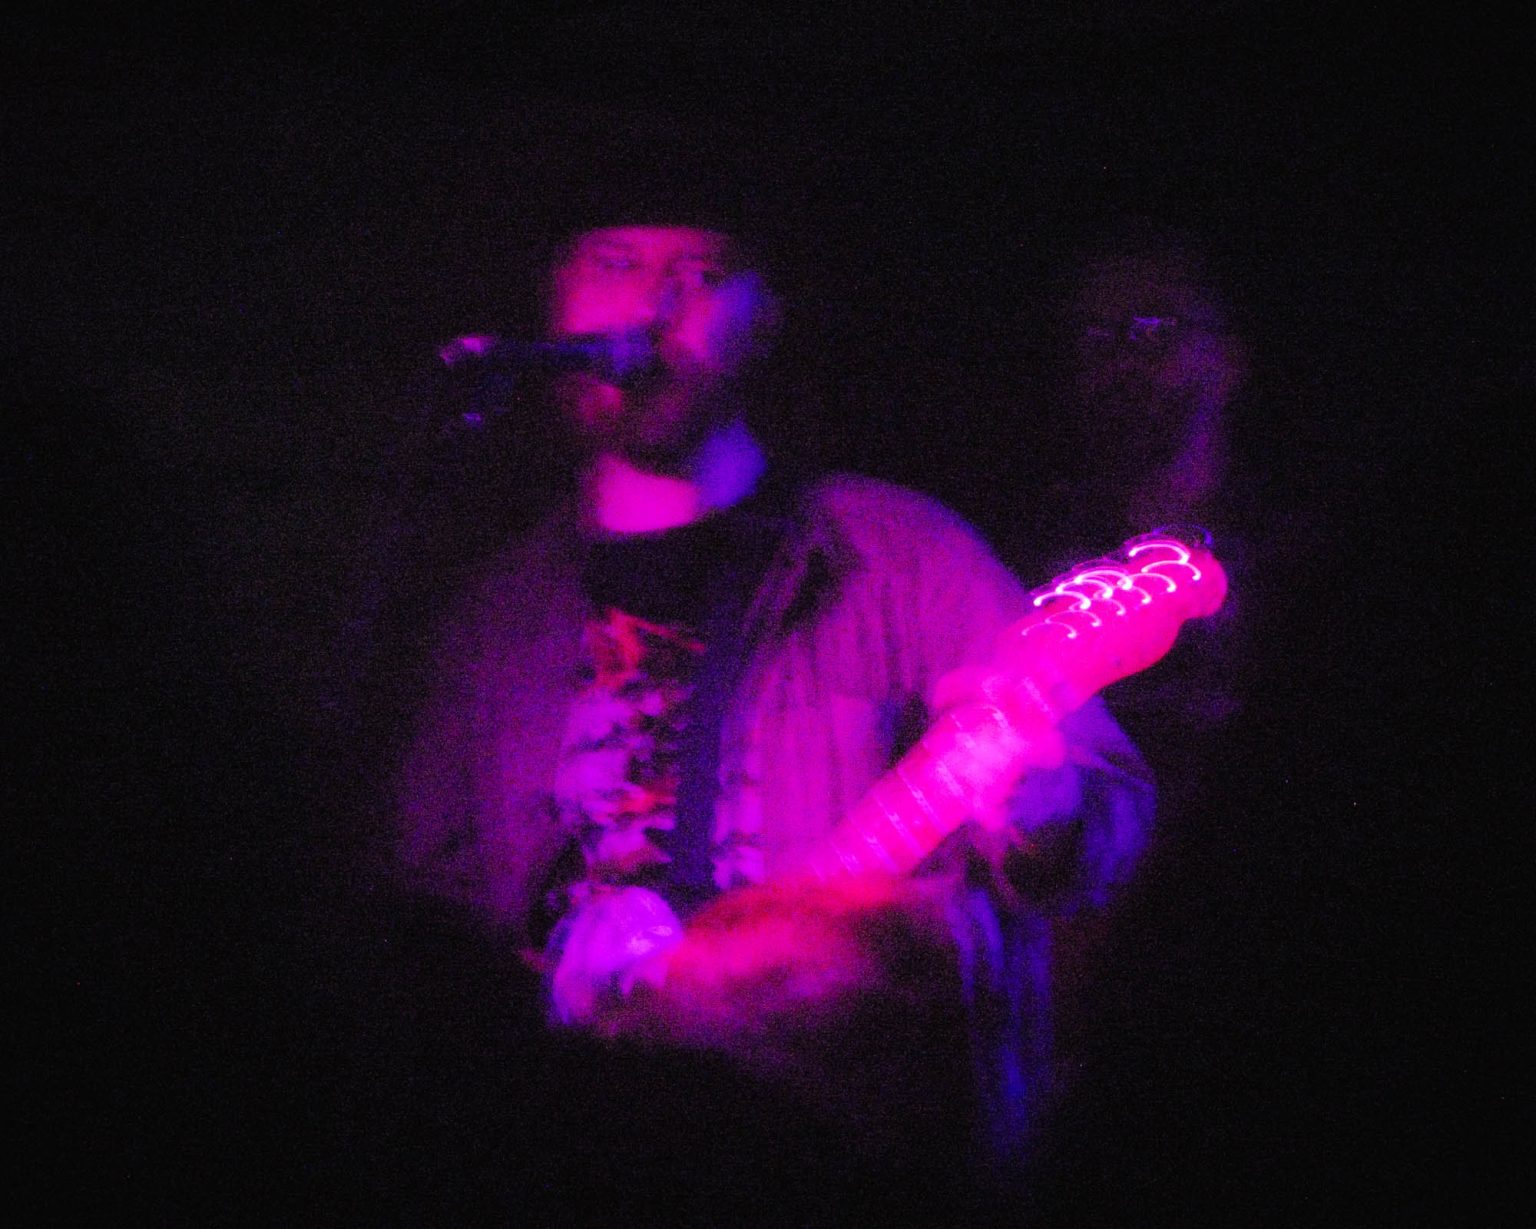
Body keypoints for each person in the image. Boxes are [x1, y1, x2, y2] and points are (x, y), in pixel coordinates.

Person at [391, 178, 1156, 1186]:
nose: (651, 307)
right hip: (573, 1152)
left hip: (836, 1152)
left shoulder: (891, 552)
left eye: (700, 272)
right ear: (559, 299)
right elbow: (427, 911)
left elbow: (1110, 805)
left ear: (766, 322)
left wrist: (1045, 806)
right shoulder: (500, 613)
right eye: (616, 262)